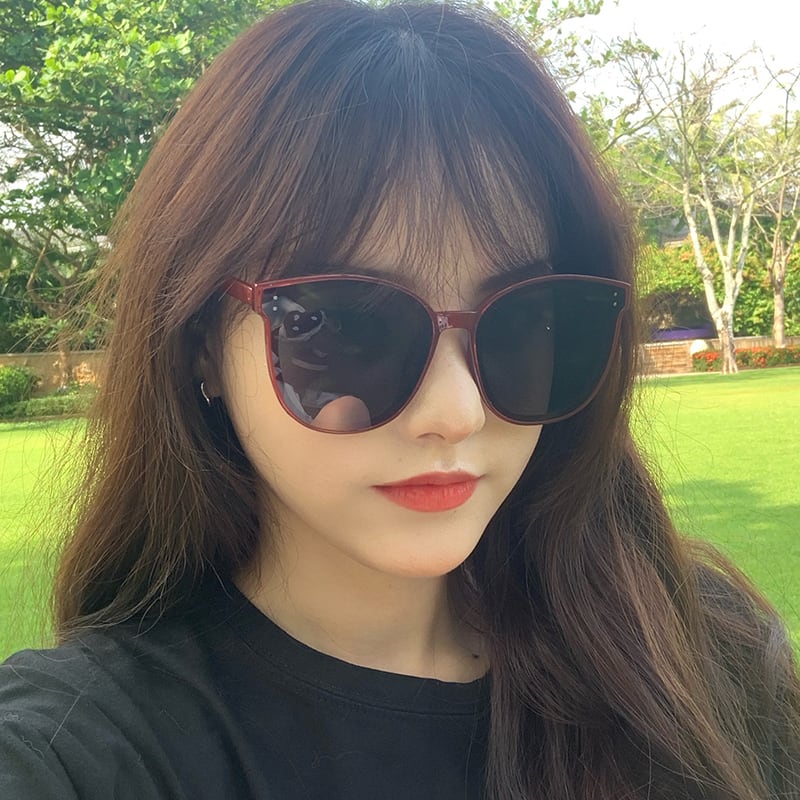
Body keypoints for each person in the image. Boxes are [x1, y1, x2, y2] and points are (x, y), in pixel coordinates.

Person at [1, 1, 798, 797]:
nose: (456, 412)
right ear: (202, 342)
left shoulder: (700, 656)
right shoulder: (85, 750)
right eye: (348, 324)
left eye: (527, 320)